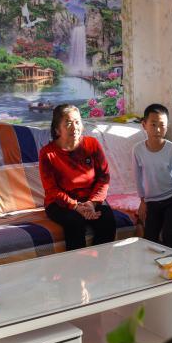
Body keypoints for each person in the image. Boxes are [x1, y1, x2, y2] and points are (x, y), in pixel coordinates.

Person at [39, 104, 116, 250]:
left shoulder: (92, 144)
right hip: (60, 204)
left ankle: (101, 262)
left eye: (77, 122)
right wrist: (75, 206)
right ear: (57, 129)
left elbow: (103, 178)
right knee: (75, 222)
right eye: (68, 123)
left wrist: (92, 203)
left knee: (107, 218)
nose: (74, 127)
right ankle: (77, 264)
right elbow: (51, 189)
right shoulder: (47, 153)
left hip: (90, 199)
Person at [133, 104, 172, 249]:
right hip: (152, 202)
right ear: (144, 125)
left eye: (162, 125)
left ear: (167, 127)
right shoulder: (138, 150)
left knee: (170, 236)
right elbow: (137, 177)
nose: (157, 129)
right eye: (153, 124)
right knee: (149, 239)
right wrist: (142, 201)